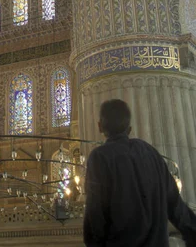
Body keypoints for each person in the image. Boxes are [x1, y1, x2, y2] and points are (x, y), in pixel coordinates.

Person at [84, 99, 196, 247]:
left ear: (99, 126)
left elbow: (95, 216)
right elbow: (176, 206)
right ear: (129, 129)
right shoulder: (151, 153)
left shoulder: (99, 157)